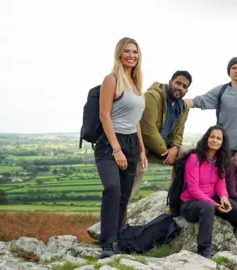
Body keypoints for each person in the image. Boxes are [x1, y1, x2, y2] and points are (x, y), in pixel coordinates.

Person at [94, 37, 147, 259]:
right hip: (110, 144)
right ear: (119, 54)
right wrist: (116, 149)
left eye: (135, 52)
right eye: (127, 51)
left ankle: (116, 238)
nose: (131, 55)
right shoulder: (112, 79)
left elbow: (135, 120)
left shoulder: (136, 83)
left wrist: (142, 150)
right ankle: (107, 242)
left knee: (124, 196)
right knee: (112, 189)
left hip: (132, 144)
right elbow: (104, 115)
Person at [179, 125, 237, 258]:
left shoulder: (221, 160)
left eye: (219, 138)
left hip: (212, 199)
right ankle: (204, 248)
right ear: (207, 138)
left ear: (222, 142)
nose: (215, 140)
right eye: (212, 137)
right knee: (207, 208)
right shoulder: (195, 158)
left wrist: (224, 197)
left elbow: (220, 183)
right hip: (190, 203)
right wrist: (213, 203)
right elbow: (193, 189)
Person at [130, 70, 193, 199]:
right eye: (178, 83)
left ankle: (177, 199)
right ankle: (120, 213)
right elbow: (148, 132)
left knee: (187, 156)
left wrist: (175, 148)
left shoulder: (183, 108)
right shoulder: (152, 96)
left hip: (163, 148)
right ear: (170, 82)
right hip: (140, 147)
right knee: (130, 189)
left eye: (184, 86)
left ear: (186, 91)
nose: (180, 88)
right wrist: (167, 152)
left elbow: (179, 133)